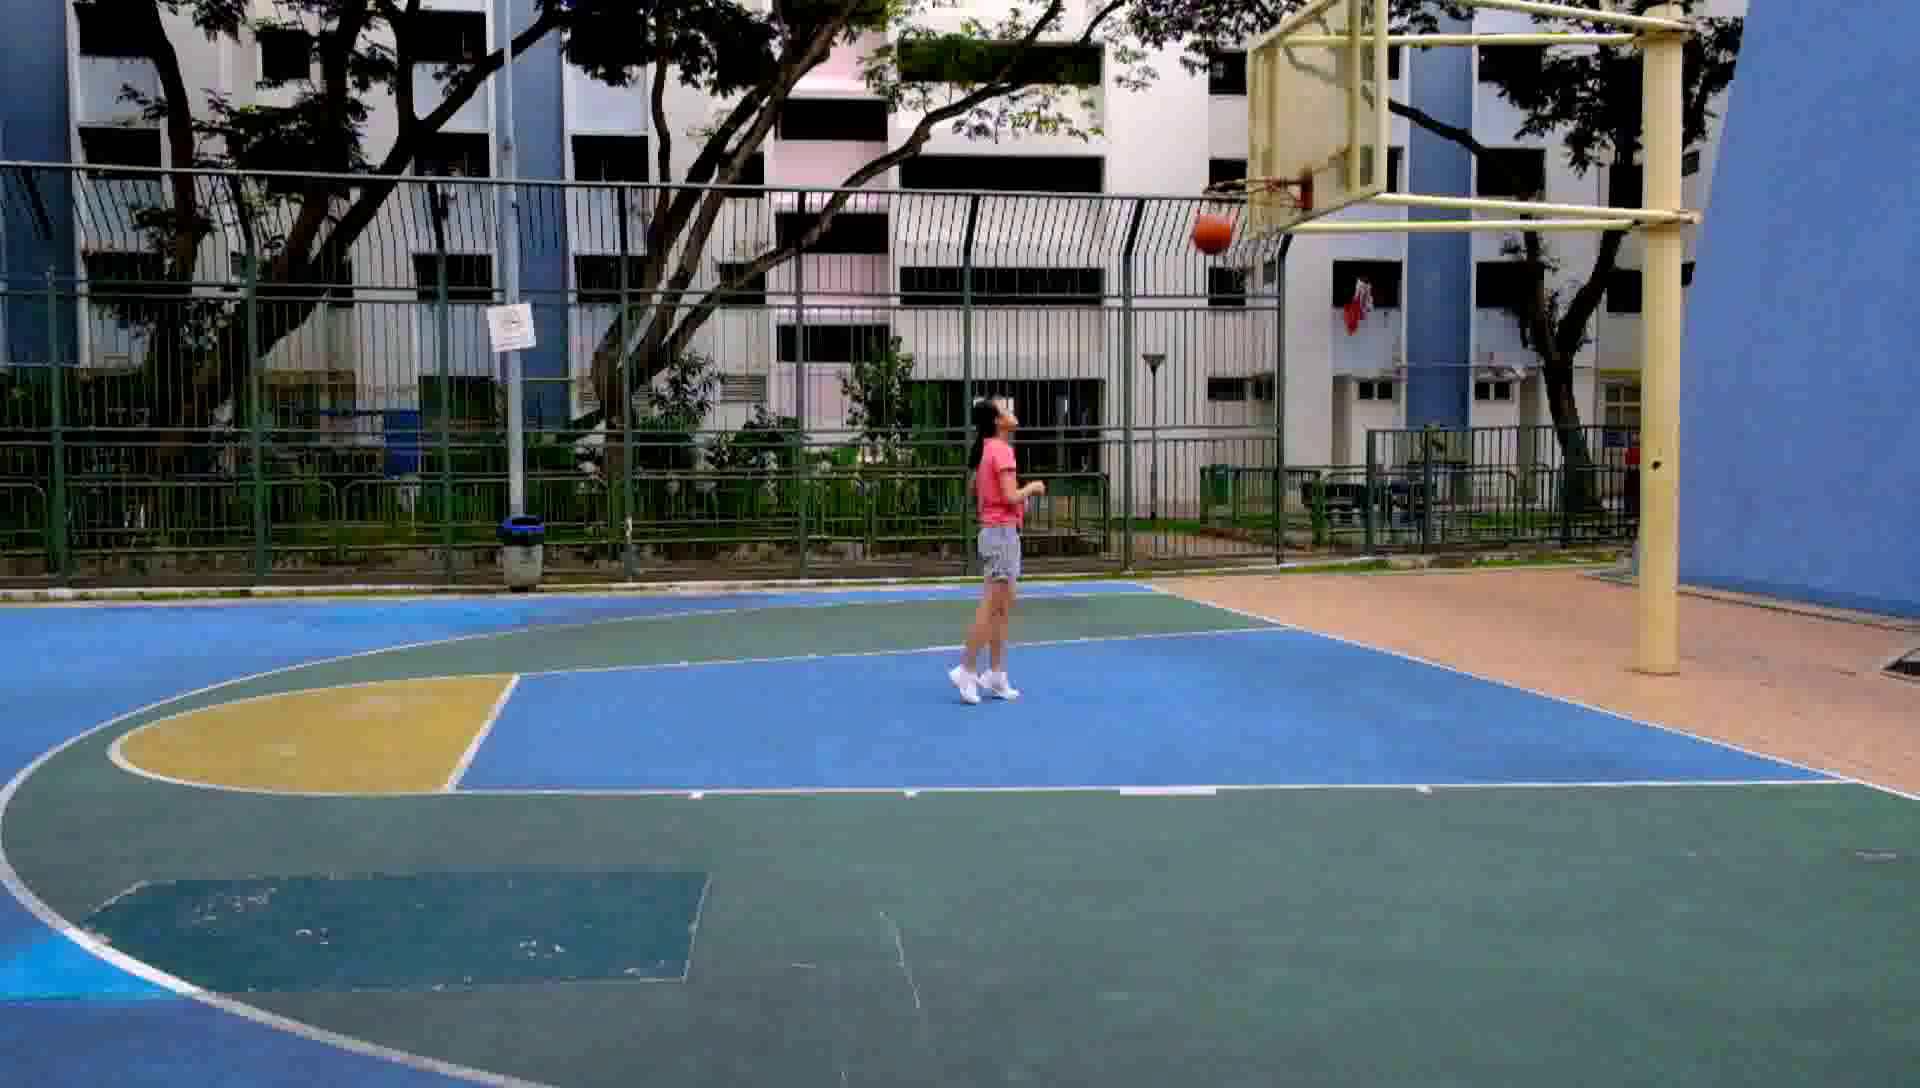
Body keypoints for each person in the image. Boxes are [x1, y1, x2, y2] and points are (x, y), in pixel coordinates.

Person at [950, 396, 1043, 704]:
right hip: (1001, 534)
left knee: (1002, 607)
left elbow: (979, 490)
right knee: (992, 606)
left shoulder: (987, 450)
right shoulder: (1001, 450)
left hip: (997, 533)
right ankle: (966, 668)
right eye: (1005, 410)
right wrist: (1032, 488)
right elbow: (1009, 496)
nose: (1011, 413)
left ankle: (996, 674)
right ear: (997, 421)